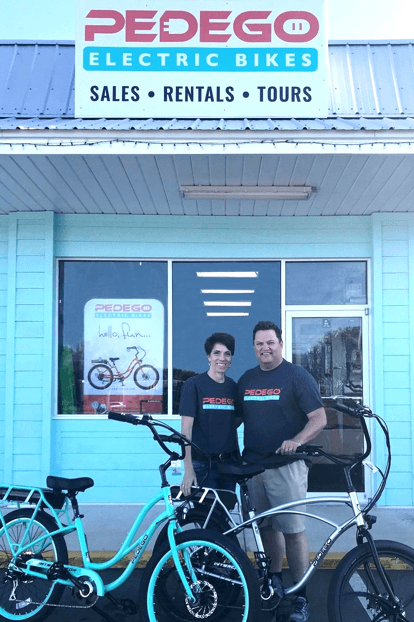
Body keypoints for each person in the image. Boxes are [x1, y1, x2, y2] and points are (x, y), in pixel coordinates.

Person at [238, 320, 326, 622]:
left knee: (293, 531)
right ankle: (274, 579)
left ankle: (301, 596)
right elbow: (234, 418)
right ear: (254, 347)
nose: (265, 348)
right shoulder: (246, 380)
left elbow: (319, 418)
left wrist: (296, 441)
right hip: (254, 467)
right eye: (260, 343)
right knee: (268, 529)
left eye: (270, 342)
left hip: (286, 467)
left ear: (280, 344)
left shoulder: (296, 376)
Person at [180, 332, 240, 495]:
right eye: (217, 353)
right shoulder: (193, 385)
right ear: (208, 356)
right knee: (206, 517)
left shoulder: (233, 388)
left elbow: (235, 421)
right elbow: (186, 430)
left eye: (227, 354)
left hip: (228, 465)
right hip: (202, 464)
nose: (222, 358)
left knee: (224, 514)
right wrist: (188, 469)